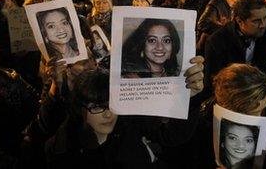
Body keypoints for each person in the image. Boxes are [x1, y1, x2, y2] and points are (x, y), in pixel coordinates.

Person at [45, 65, 204, 168]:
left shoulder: (127, 119)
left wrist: (190, 97)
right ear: (80, 109)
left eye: (112, 103)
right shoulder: (63, 148)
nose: (108, 114)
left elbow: (171, 135)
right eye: (97, 107)